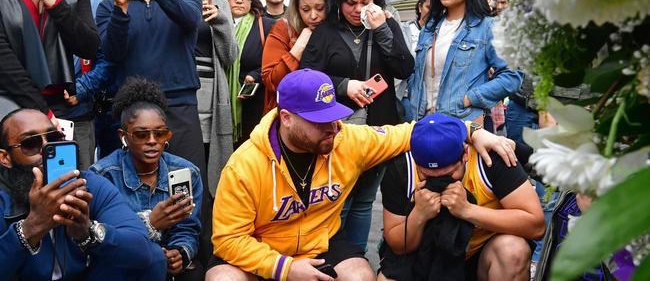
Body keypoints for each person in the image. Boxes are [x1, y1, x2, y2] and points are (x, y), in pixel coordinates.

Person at [204, 68, 517, 281]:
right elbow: (228, 240)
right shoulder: (244, 164)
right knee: (222, 278)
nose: (331, 127)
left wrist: (473, 132)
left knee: (360, 275)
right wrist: (284, 269)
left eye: (333, 115)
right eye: (318, 121)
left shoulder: (345, 139)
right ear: (286, 118)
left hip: (319, 242)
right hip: (264, 251)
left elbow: (412, 132)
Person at [300, 0, 414, 251]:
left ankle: (357, 258)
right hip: (336, 127)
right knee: (338, 199)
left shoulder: (386, 26)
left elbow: (404, 67)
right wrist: (343, 85)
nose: (357, 8)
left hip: (378, 125)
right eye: (350, 1)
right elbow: (307, 76)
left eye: (365, 2)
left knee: (364, 200)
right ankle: (334, 257)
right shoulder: (326, 31)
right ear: (339, 0)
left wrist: (383, 29)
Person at [0, 108, 166, 280]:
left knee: (155, 257)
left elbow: (142, 251)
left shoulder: (90, 184)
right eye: (30, 144)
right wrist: (31, 228)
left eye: (54, 138)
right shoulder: (3, 199)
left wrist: (88, 233)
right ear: (5, 157)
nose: (45, 149)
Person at [378, 113, 544, 281]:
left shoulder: (488, 158)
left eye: (449, 174)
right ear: (416, 161)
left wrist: (468, 210)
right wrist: (419, 215)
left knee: (513, 251)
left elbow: (536, 226)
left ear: (465, 154)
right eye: (427, 176)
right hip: (423, 257)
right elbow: (398, 246)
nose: (439, 182)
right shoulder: (402, 167)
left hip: (479, 256)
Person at [96, 0, 206, 178]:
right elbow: (112, 53)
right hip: (132, 109)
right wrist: (121, 9)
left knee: (186, 182)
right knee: (134, 185)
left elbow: (191, 20)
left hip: (179, 106)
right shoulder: (109, 5)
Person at [90, 77, 203, 281]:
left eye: (160, 134)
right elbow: (102, 240)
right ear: (123, 136)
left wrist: (180, 252)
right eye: (142, 135)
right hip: (123, 266)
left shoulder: (187, 172)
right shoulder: (103, 176)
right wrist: (150, 222)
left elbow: (188, 228)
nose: (152, 141)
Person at [174, 0, 238, 267]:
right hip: (181, 96)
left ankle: (212, 248)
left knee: (213, 174)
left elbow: (230, 56)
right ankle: (184, 247)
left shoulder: (220, 2)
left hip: (214, 97)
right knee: (184, 171)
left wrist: (220, 22)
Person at [406, 0, 522, 124]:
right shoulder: (430, 28)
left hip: (463, 124)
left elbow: (511, 76)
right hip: (423, 122)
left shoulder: (488, 27)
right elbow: (417, 73)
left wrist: (468, 98)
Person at [60, 0, 115, 169]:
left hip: (84, 112)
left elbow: (108, 59)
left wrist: (81, 88)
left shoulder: (102, 7)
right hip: (47, 109)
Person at [214, 0, 276, 147]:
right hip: (217, 102)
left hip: (253, 106)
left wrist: (256, 75)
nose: (239, 0)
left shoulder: (267, 26)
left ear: (251, 0)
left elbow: (274, 62)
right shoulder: (211, 24)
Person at [261, 0, 331, 113]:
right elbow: (271, 80)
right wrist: (298, 48)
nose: (313, 16)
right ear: (297, 9)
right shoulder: (283, 28)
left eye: (320, 8)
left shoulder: (338, 28)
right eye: (305, 9)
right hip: (292, 112)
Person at [396, 0, 433, 121]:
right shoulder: (405, 30)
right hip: (405, 96)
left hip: (431, 99)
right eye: (428, 7)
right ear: (419, 7)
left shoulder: (442, 34)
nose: (432, 12)